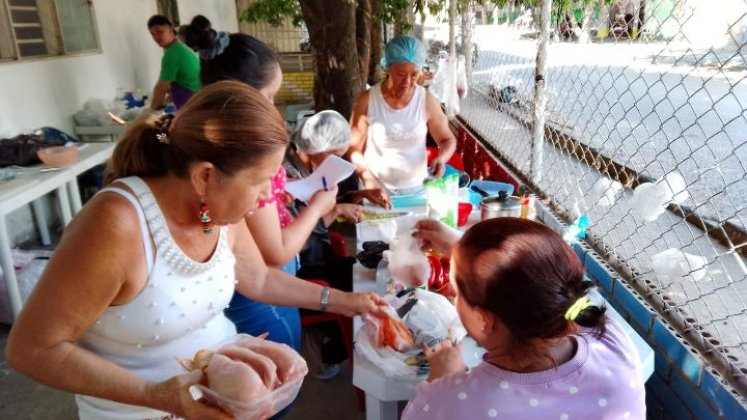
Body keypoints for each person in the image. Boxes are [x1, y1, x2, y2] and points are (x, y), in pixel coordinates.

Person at [6, 81, 385, 419]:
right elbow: (32, 349)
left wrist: (346, 301)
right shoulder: (116, 225)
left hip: (218, 396)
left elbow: (258, 278)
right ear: (205, 175)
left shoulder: (215, 209)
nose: (269, 196)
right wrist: (161, 397)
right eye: (261, 182)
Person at [403, 218, 646, 420]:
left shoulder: (451, 404)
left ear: (483, 321)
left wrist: (444, 376)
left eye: (456, 291)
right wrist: (463, 251)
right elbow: (555, 288)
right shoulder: (615, 344)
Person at [349, 35, 457, 207]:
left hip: (416, 190)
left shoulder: (426, 100)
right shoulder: (367, 100)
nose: (407, 82)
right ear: (388, 68)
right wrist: (367, 179)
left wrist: (441, 158)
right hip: (376, 190)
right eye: (400, 74)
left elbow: (447, 140)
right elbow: (354, 149)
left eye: (414, 74)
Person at [147, 15, 201, 110]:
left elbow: (161, 89)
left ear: (170, 29)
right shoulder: (181, 47)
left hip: (193, 104)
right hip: (198, 99)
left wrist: (150, 112)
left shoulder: (172, 54)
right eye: (152, 34)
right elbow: (183, 83)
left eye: (160, 32)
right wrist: (164, 102)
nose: (156, 37)